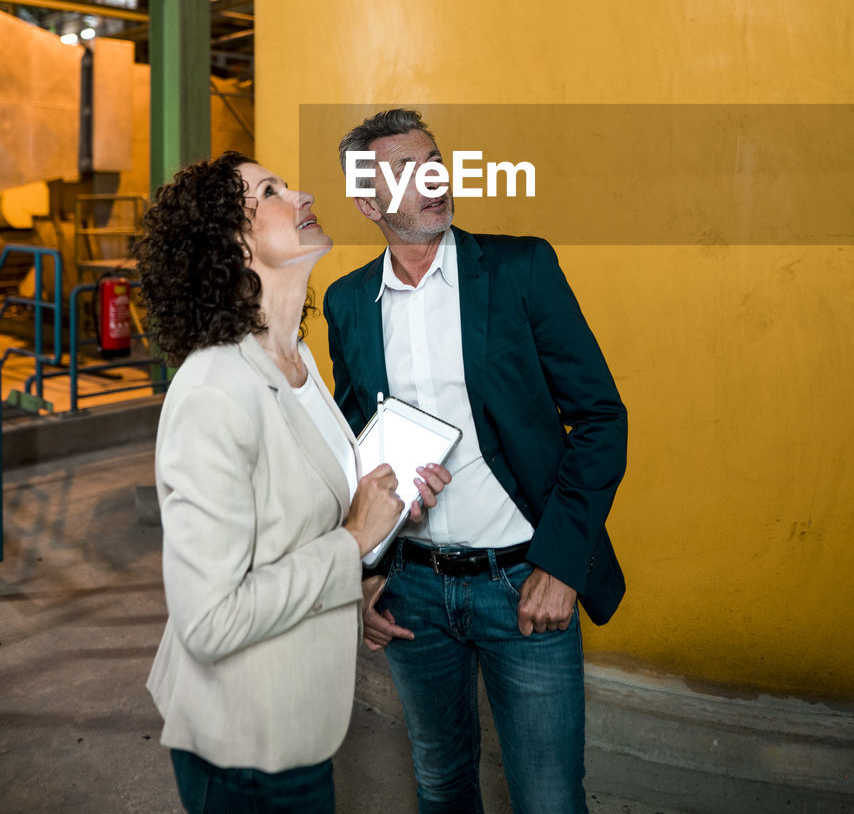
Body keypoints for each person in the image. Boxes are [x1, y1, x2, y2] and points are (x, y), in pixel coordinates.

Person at [323, 110, 628, 814]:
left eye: (433, 159)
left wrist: (559, 565)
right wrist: (366, 571)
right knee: (441, 787)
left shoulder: (521, 268)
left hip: (524, 583)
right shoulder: (346, 304)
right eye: (403, 170)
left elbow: (602, 419)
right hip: (412, 594)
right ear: (368, 203)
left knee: (549, 800)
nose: (432, 177)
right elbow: (355, 452)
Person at [133, 150, 450, 814]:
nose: (301, 193)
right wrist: (348, 545)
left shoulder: (295, 359)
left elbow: (299, 526)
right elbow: (210, 620)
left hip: (297, 718)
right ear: (233, 244)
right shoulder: (214, 389)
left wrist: (373, 545)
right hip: (245, 744)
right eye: (270, 192)